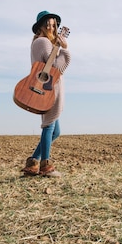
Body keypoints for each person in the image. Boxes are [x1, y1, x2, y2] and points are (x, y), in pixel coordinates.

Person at [21, 10, 71, 177]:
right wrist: (64, 49)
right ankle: (46, 166)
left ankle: (33, 162)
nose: (51, 27)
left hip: (45, 87)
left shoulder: (40, 42)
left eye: (53, 24)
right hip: (48, 89)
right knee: (49, 126)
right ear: (40, 27)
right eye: (47, 24)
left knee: (55, 131)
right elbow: (55, 67)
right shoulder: (44, 42)